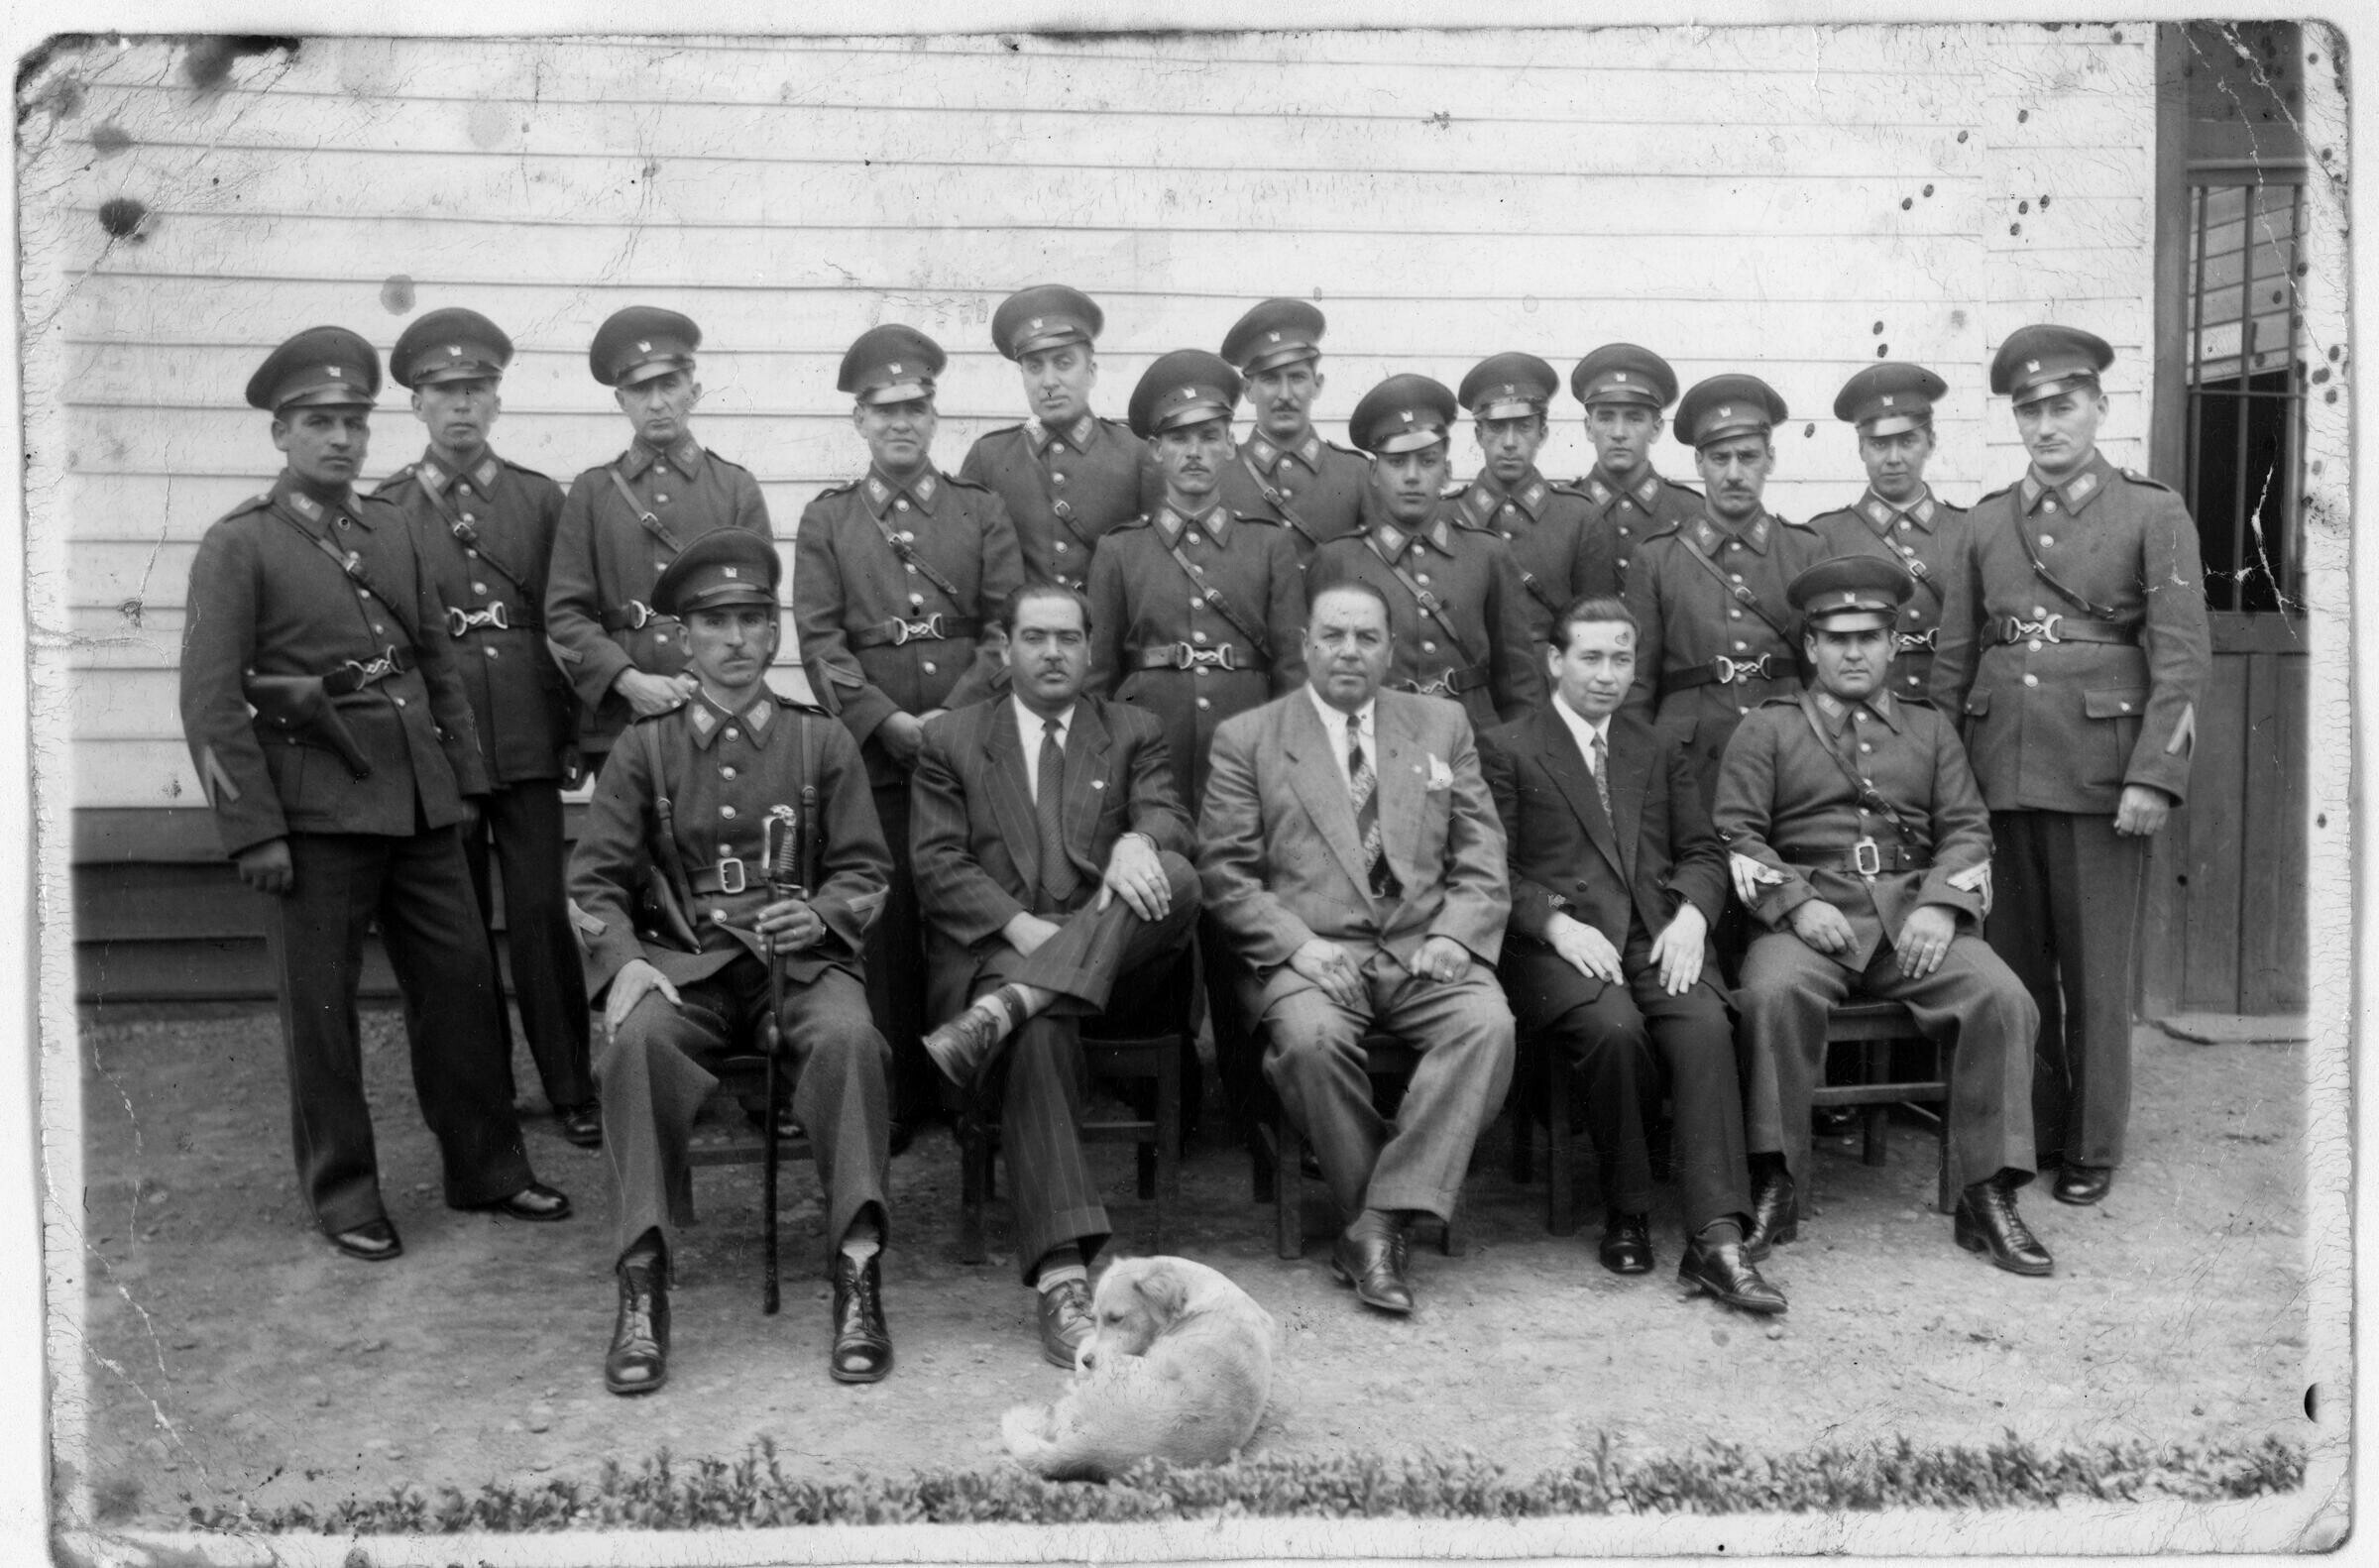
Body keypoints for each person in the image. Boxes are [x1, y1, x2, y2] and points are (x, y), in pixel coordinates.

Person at [177, 325, 570, 1262]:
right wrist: (253, 833)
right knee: (323, 1012)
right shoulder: (242, 544)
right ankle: (344, 1192)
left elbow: (435, 660)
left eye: (354, 421)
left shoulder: (388, 526)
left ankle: (487, 1168)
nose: (341, 440)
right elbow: (208, 700)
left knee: (463, 989)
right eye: (319, 422)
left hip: (422, 807)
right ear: (281, 433)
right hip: (314, 821)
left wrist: (466, 783)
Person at [568, 529, 896, 1396]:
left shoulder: (820, 741)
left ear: (776, 631)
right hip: (691, 968)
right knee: (635, 1046)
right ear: (684, 637)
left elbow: (869, 873)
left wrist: (819, 912)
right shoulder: (646, 747)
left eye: (755, 619)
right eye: (717, 623)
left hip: (802, 965)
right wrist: (627, 963)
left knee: (852, 1042)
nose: (739, 639)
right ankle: (641, 1287)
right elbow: (590, 882)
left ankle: (859, 1277)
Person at [1931, 325, 2211, 1207]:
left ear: (2098, 407)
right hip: (1997, 774)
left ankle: (2093, 1143)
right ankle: (2034, 1131)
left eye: (2063, 406)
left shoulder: (2151, 512)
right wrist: (1944, 785)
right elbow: (1952, 660)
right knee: (2013, 969)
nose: (2047, 425)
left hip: (2100, 775)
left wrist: (2153, 775)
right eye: (2031, 411)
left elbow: (2182, 656)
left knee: (2093, 974)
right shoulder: (1985, 521)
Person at [1715, 555, 2050, 1276]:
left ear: (1894, 644)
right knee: (1771, 996)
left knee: (2003, 998)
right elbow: (1736, 835)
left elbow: (1967, 829)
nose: (1854, 651)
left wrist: (1941, 906)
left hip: (1911, 919)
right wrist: (1795, 904)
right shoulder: (1767, 729)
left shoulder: (1930, 731)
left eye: (1869, 636)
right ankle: (1774, 1179)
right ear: (1810, 647)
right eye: (1837, 638)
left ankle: (1985, 1192)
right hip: (1809, 919)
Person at [1198, 580, 1517, 1317]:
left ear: (1390, 649)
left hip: (1422, 948)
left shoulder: (1441, 724)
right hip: (1316, 950)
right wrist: (1299, 947)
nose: (1349, 651)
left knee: (1487, 1026)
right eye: (1333, 636)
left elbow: (1482, 856)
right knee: (1309, 1044)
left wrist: (1453, 934)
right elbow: (1225, 874)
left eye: (1366, 637)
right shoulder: (1250, 738)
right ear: (1305, 646)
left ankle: (1374, 1224)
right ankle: (1394, 1213)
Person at [910, 586, 1201, 1368]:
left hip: (1121, 971)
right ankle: (1064, 1281)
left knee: (1176, 873)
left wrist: (1140, 840)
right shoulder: (954, 740)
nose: (1051, 653)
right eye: (1034, 637)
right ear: (1003, 648)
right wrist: (1024, 930)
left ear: (1090, 648)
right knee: (1038, 1033)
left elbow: (1171, 816)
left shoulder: (1132, 729)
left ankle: (1012, 1005)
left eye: (1068, 638)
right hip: (1003, 946)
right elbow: (937, 865)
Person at [1480, 596, 1780, 1312]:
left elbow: (1704, 851)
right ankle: (1628, 1209)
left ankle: (1716, 1240)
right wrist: (1555, 925)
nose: (1607, 675)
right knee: (1615, 1032)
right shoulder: (1509, 746)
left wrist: (1692, 918)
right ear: (1555, 661)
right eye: (1590, 657)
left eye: (1621, 658)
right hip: (1560, 945)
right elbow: (1493, 869)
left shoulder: (1655, 746)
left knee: (1707, 1027)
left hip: (1655, 934)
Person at [376, 307, 600, 1150]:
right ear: (418, 406)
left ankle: (572, 1084)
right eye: (444, 392)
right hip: (442, 744)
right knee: (459, 926)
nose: (461, 407)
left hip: (532, 740)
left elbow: (566, 618)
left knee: (543, 915)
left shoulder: (543, 500)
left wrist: (575, 728)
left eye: (475, 391)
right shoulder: (391, 508)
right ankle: (488, 1090)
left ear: (497, 402)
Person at [794, 323, 1024, 1145]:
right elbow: (821, 646)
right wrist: (888, 724)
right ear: (858, 419)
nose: (901, 423)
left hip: (971, 747)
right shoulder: (828, 522)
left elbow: (1004, 630)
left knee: (965, 906)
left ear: (935, 415)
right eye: (884, 409)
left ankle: (970, 1091)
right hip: (877, 755)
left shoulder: (980, 511)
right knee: (886, 921)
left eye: (916, 407)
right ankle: (895, 1097)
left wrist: (952, 721)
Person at [545, 305, 771, 764]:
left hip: (715, 711)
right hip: (616, 719)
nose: (657, 402)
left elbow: (760, 612)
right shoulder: (592, 492)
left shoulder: (734, 488)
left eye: (669, 384)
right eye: (640, 389)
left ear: (694, 390)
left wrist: (694, 681)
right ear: (620, 401)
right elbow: (565, 615)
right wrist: (627, 682)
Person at [1087, 349, 1305, 809]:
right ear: (1155, 449)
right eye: (1178, 438)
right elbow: (1100, 675)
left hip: (1247, 738)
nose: (1193, 453)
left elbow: (1291, 670)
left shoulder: (1269, 546)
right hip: (1149, 741)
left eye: (1209, 437)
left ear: (1230, 445)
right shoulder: (1120, 550)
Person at [1622, 372, 1828, 810]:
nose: (1734, 473)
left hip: (1789, 753)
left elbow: (1822, 674)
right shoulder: (1657, 559)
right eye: (1719, 458)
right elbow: (1638, 686)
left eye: (1747, 456)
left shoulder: (1805, 550)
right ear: (1698, 463)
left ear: (1770, 459)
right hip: (1688, 762)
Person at [1306, 375, 1545, 733]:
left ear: (1447, 470)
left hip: (1475, 742)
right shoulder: (1339, 561)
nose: (1413, 477)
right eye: (1397, 463)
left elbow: (1519, 681)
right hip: (1378, 741)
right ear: (1373, 471)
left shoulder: (1486, 554)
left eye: (1428, 461)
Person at [959, 284, 1153, 593]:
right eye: (1035, 367)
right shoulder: (989, 457)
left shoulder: (1135, 455)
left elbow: (1152, 569)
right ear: (1022, 376)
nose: (1049, 382)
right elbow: (969, 566)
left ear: (1090, 371)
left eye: (1063, 363)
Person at [1807, 362, 1970, 700]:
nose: (1894, 458)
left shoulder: (1969, 530)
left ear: (1931, 442)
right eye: (1879, 444)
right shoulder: (1824, 537)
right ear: (1861, 448)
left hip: (1952, 715)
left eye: (1907, 440)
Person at [1453, 352, 1617, 643]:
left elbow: (1594, 629)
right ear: (1478, 435)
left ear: (1542, 434)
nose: (1510, 443)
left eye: (1524, 427)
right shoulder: (1450, 514)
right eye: (1497, 427)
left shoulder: (1577, 516)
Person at [1214, 298, 1371, 558]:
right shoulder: (1220, 475)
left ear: (1317, 385)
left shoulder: (1357, 474)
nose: (1285, 395)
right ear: (1248, 390)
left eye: (1297, 377)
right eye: (1270, 379)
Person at [1568, 343, 1704, 585]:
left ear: (1656, 428)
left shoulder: (1691, 512)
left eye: (1634, 418)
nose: (1619, 433)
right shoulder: (1563, 509)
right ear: (1589, 428)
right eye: (1606, 418)